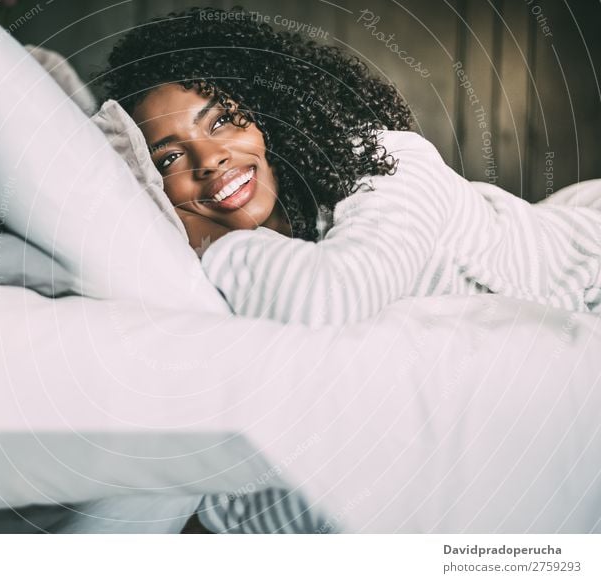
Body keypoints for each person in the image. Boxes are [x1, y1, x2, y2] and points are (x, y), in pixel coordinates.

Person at [97, 6, 601, 532]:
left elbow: (333, 299)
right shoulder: (267, 243)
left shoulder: (388, 164)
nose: (210, 158)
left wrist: (205, 240)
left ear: (270, 108)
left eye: (221, 120)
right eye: (168, 159)